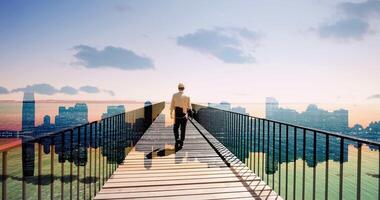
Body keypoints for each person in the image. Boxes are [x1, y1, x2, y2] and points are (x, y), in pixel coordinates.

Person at [170, 83, 191, 150]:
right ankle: (181, 142)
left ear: (178, 88)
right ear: (184, 88)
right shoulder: (187, 96)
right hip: (184, 116)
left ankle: (177, 140)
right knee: (183, 129)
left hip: (177, 116)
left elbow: (172, 105)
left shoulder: (174, 95)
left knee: (175, 129)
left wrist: (171, 113)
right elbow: (189, 107)